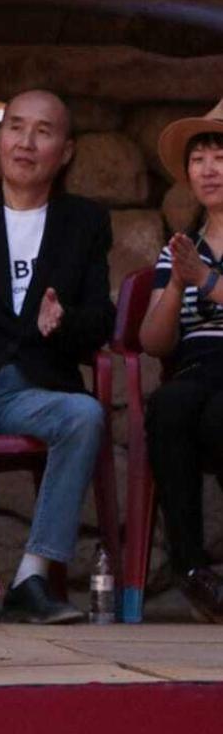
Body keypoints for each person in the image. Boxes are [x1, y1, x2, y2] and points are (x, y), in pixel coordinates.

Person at [0, 90, 113, 625]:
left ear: (64, 151)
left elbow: (98, 322)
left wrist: (61, 325)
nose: (26, 142)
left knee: (84, 415)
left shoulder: (84, 222)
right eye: (15, 128)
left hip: (35, 390)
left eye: (43, 131)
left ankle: (32, 576)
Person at [141, 98, 223, 623]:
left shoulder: (198, 265)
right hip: (197, 366)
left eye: (220, 154)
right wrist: (175, 284)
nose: (209, 168)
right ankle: (191, 569)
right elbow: (153, 341)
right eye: (198, 158)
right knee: (169, 406)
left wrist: (207, 282)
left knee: (218, 418)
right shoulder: (181, 248)